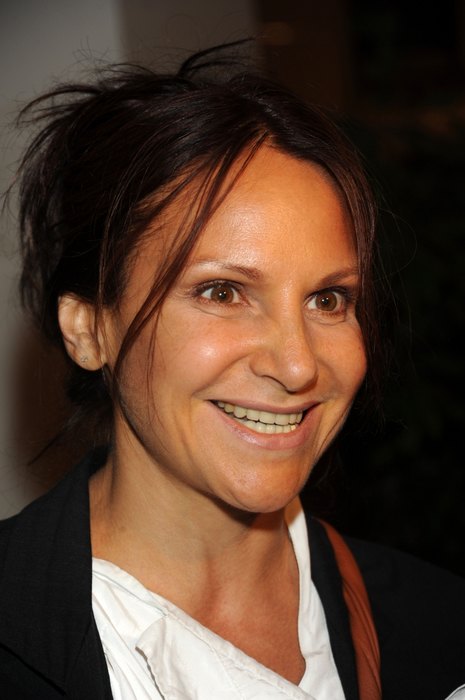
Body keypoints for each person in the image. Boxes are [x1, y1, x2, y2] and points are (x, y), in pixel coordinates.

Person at [0, 45, 464, 700]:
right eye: (222, 292)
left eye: (328, 299)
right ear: (89, 328)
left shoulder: (437, 628)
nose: (297, 364)